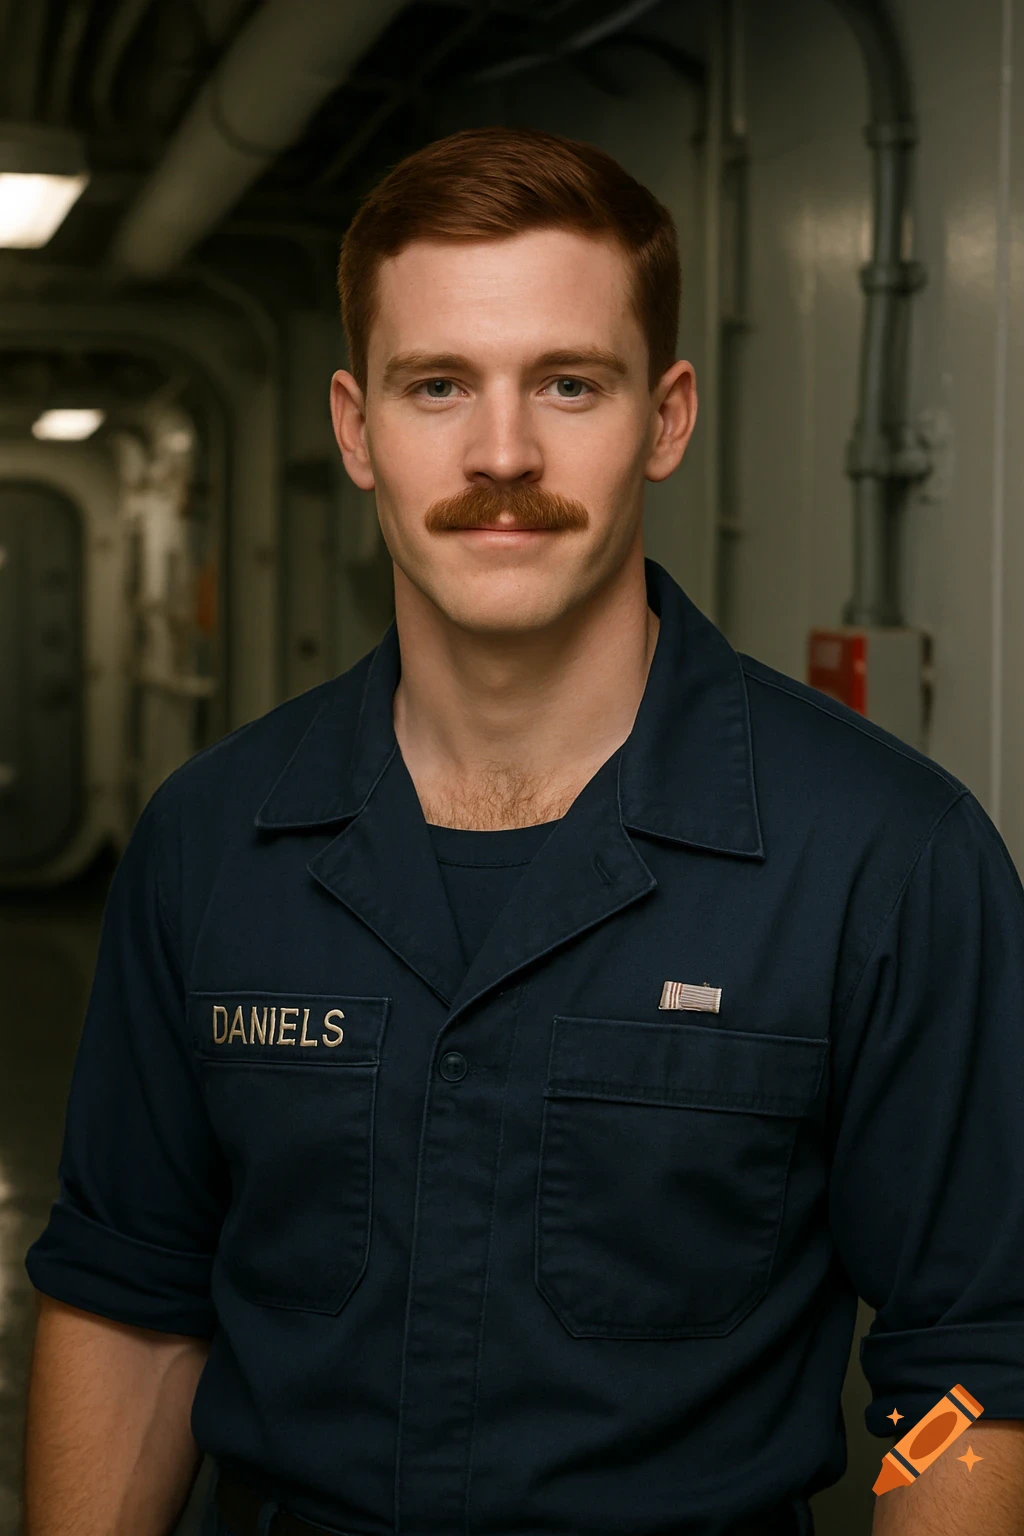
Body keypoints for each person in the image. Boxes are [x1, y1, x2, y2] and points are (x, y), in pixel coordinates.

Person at [22, 125, 1024, 1536]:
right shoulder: (208, 844)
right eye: (438, 386)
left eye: (569, 382)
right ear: (356, 427)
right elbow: (132, 1302)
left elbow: (970, 1370)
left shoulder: (884, 859)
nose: (503, 452)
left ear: (665, 419)